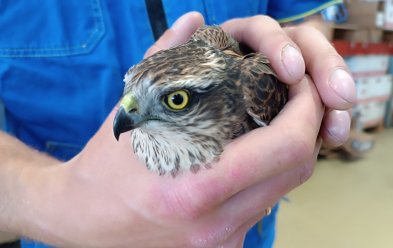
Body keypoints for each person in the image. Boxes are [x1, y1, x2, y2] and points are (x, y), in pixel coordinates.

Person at [0, 1, 355, 247]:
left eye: (177, 101)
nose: (127, 114)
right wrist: (61, 204)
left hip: (245, 234)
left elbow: (308, 14)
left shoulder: (252, 89)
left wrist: (300, 60)